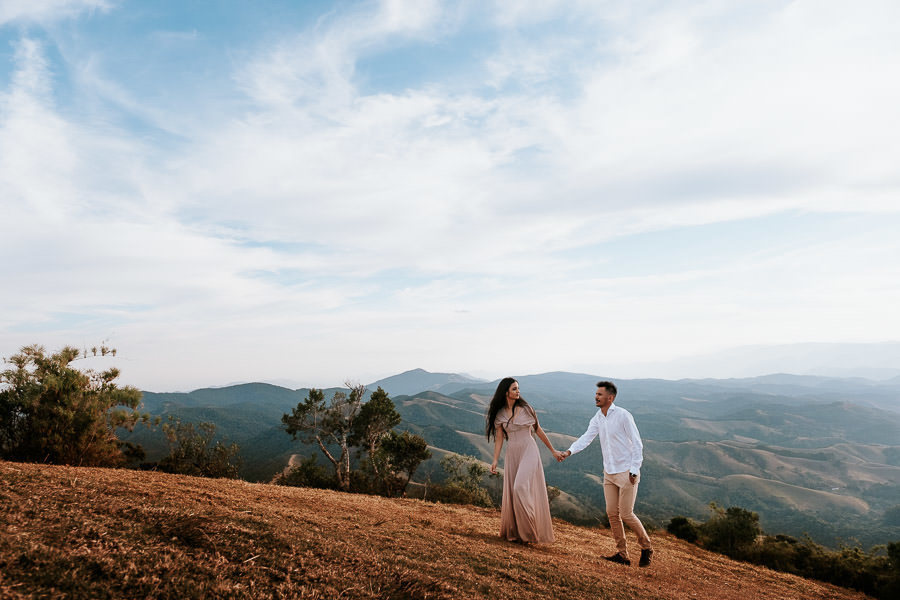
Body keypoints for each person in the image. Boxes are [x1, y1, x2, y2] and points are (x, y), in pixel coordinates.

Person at [555, 381, 653, 567]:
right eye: (596, 394)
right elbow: (586, 437)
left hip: (626, 472)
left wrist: (634, 469)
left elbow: (637, 443)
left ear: (610, 397)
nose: (596, 397)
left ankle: (647, 547)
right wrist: (568, 452)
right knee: (612, 513)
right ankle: (622, 554)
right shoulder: (598, 417)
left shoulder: (623, 415)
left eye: (599, 394)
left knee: (626, 514)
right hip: (609, 472)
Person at [486, 377, 558, 544]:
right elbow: (499, 438)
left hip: (529, 449)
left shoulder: (526, 409)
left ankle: (529, 532)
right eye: (514, 389)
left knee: (519, 487)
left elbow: (538, 430)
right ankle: (517, 533)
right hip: (512, 453)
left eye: (518, 388)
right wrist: (495, 460)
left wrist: (553, 450)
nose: (518, 391)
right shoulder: (500, 414)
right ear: (506, 392)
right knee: (514, 490)